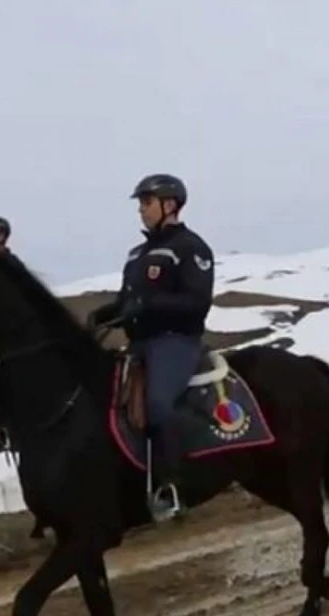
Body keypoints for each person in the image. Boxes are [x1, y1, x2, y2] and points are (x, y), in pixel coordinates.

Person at [86, 174, 214, 521]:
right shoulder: (137, 254)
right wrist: (106, 314)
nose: (141, 211)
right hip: (138, 344)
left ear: (169, 205)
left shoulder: (191, 247)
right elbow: (130, 300)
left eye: (146, 203)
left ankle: (172, 487)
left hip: (175, 341)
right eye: (141, 204)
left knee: (157, 403)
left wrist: (152, 305)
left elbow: (198, 301)